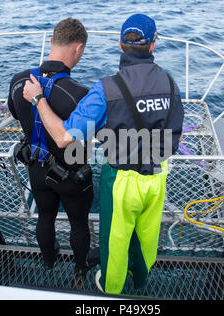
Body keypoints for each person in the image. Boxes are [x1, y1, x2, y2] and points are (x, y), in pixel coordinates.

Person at [23, 14, 184, 294]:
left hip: (122, 181)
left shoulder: (106, 90)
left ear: (120, 44)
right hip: (158, 177)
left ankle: (110, 289)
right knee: (146, 238)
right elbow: (177, 135)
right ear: (154, 45)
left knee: (115, 241)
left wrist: (38, 100)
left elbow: (63, 137)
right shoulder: (169, 84)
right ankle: (141, 283)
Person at [7, 17, 94, 279]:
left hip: (36, 167)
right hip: (71, 172)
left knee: (44, 217)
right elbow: (93, 134)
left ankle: (48, 262)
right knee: (79, 223)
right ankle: (80, 268)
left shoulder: (18, 81)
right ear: (78, 48)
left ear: (51, 42)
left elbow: (15, 113)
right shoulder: (80, 94)